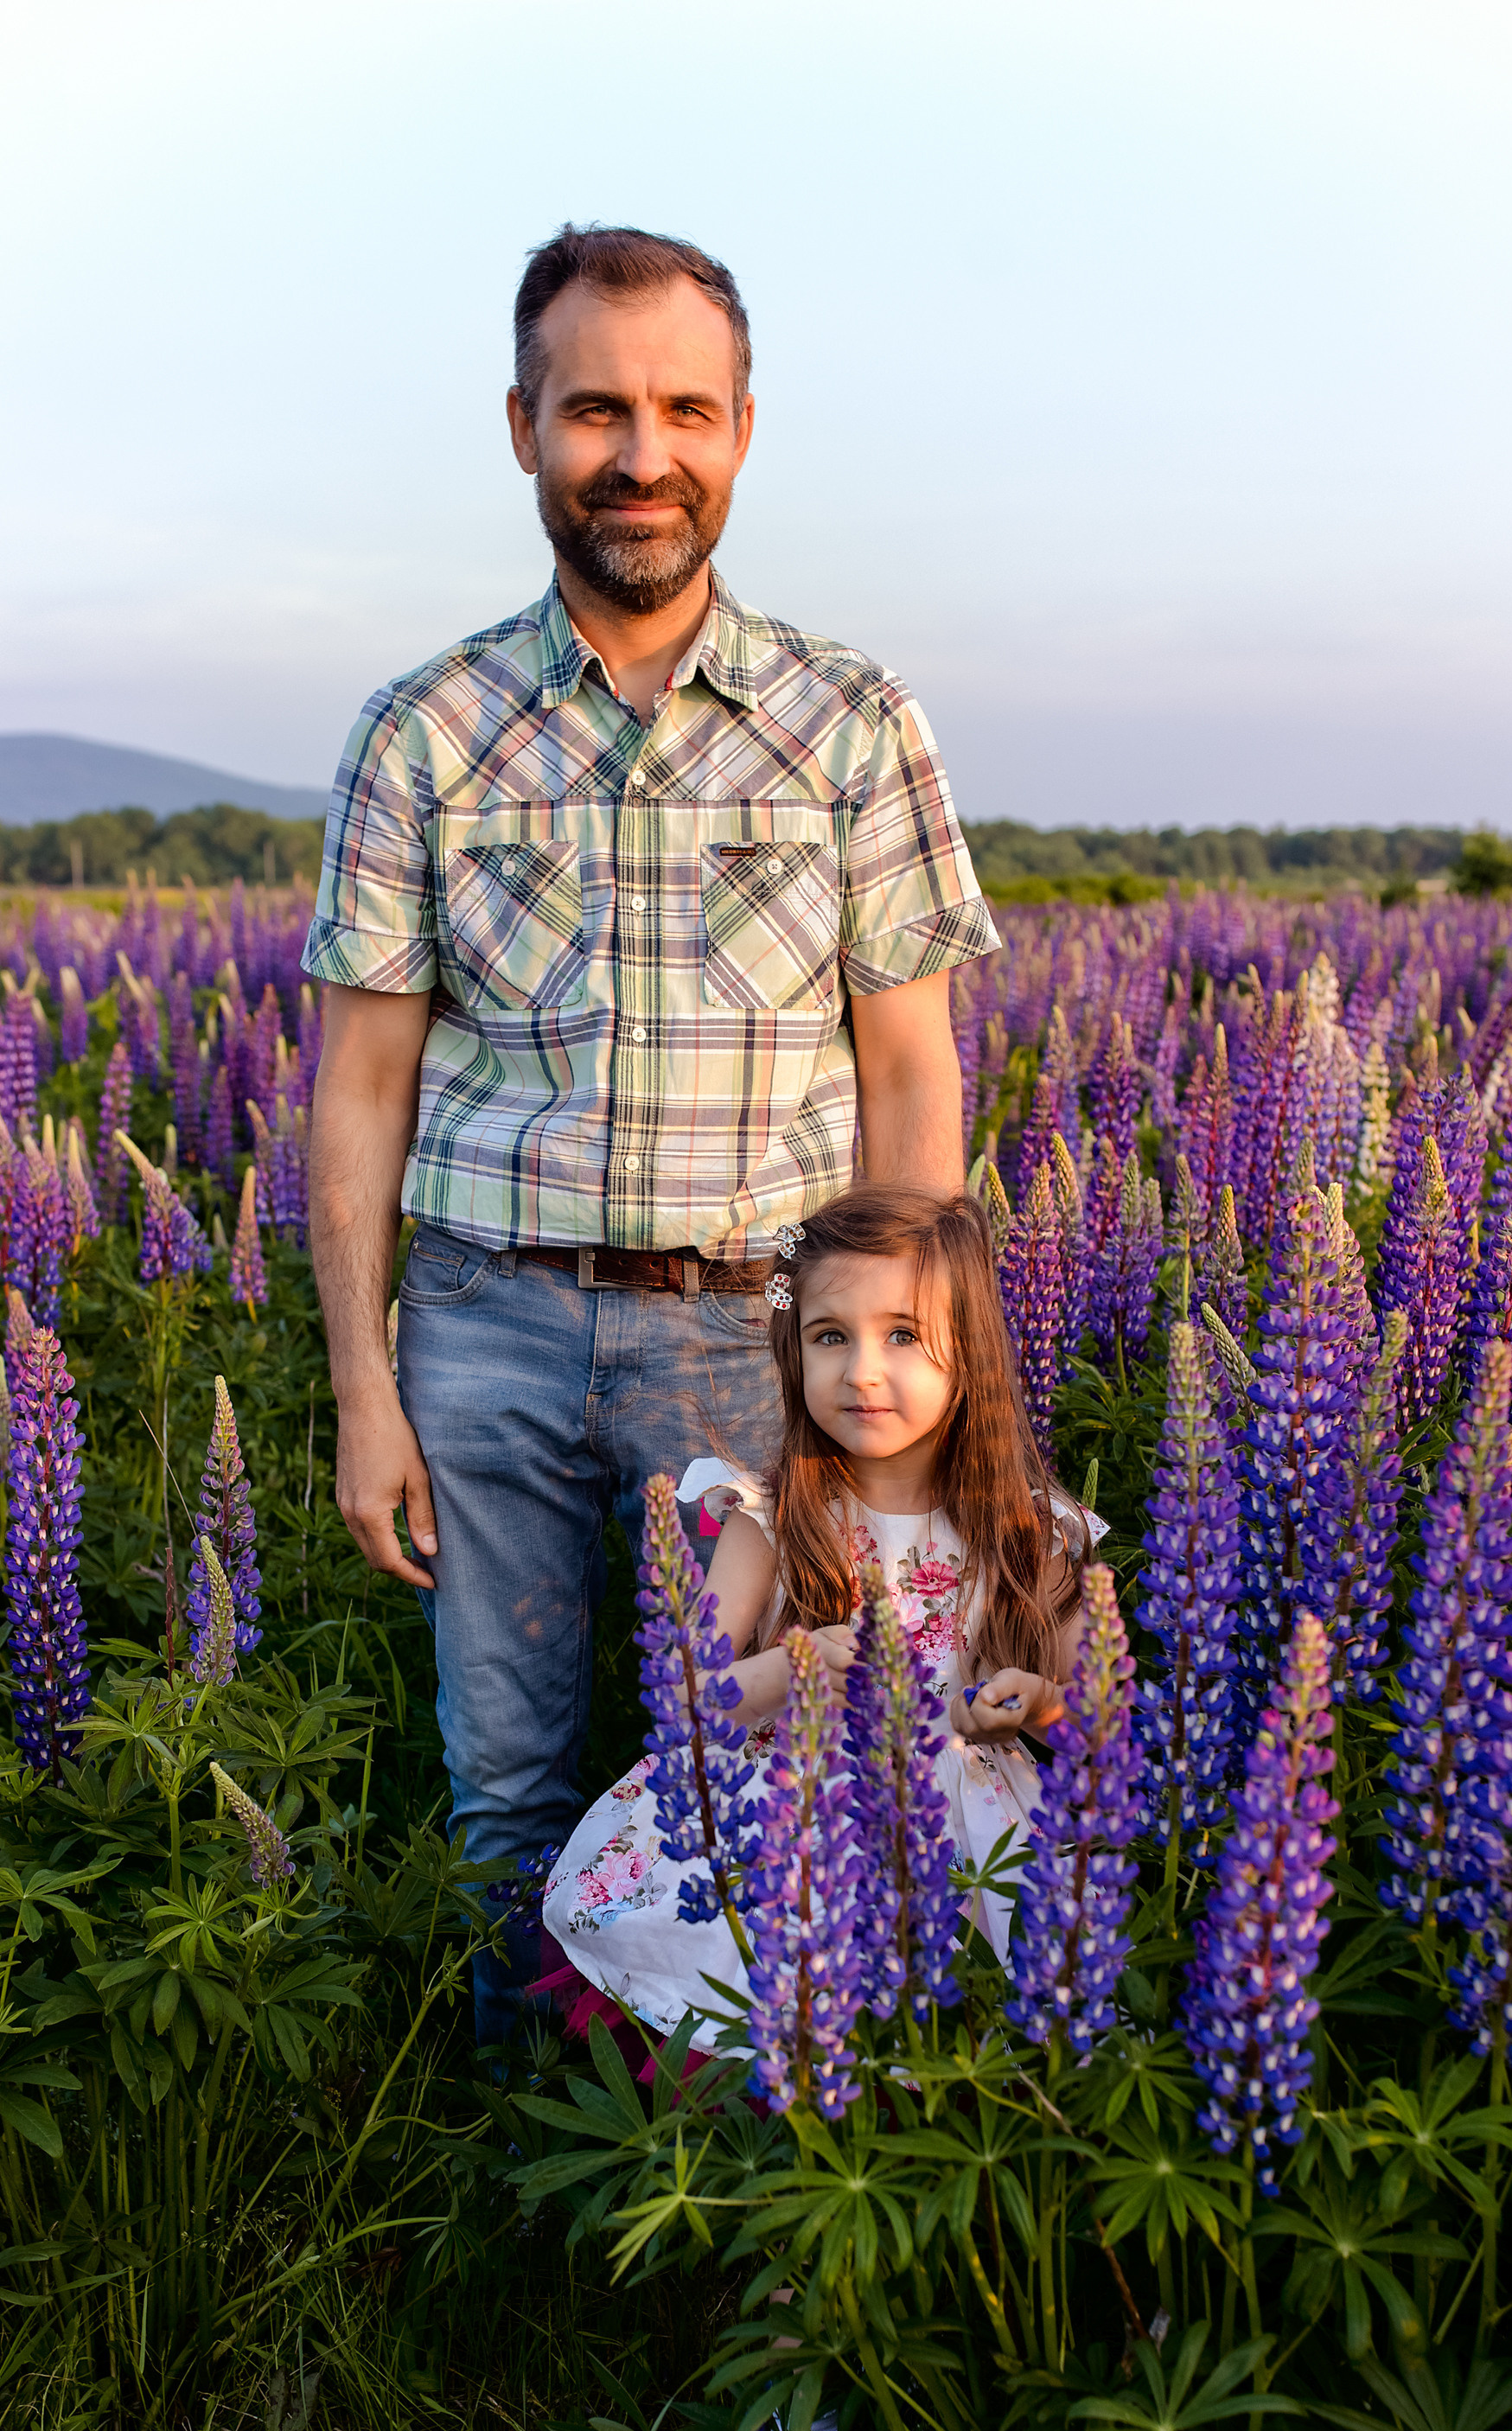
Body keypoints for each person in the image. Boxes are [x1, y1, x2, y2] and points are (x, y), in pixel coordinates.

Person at [303, 222, 1001, 2039]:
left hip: (760, 1333)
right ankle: (524, 2156)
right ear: (522, 428)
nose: (641, 452)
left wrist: (903, 1378)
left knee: (779, 1766)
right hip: (490, 1326)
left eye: (684, 409)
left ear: (742, 430)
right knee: (509, 1785)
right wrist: (364, 1386)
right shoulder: (424, 731)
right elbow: (359, 1088)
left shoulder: (852, 722)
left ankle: (735, 2153)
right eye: (595, 409)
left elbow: (911, 1076)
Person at [540, 1184, 1097, 2045]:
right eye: (830, 1335)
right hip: (784, 1817)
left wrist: (1033, 1702)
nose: (861, 1370)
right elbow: (685, 1697)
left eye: (902, 1334)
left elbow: (1097, 1710)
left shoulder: (1025, 1528)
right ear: (791, 1348)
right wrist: (784, 1671)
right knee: (773, 2033)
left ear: (969, 1352)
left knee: (960, 2037)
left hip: (960, 1829)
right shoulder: (767, 1517)